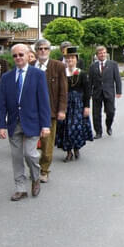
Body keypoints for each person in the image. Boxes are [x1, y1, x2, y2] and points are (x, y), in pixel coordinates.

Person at [0, 44, 51, 201]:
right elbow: (2, 105)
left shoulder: (38, 75)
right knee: (16, 157)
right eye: (15, 56)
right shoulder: (6, 77)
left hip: (32, 122)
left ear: (28, 55)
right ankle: (20, 188)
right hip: (14, 123)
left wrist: (45, 125)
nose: (18, 58)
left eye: (21, 54)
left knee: (30, 154)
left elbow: (44, 102)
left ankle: (35, 178)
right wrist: (1, 125)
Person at [34, 39, 68, 183]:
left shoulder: (58, 66)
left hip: (50, 112)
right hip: (32, 112)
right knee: (30, 146)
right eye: (40, 48)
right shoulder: (30, 66)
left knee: (47, 144)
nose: (43, 51)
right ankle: (33, 168)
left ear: (49, 50)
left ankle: (44, 170)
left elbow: (63, 90)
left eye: (45, 48)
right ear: (36, 51)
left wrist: (62, 109)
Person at [55, 46, 93, 162]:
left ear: (76, 59)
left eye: (72, 58)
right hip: (64, 104)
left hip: (77, 105)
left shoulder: (82, 74)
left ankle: (76, 147)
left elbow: (87, 92)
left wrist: (86, 106)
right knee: (65, 127)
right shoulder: (61, 73)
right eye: (67, 58)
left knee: (76, 127)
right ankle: (68, 152)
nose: (70, 60)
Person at [89, 46, 122, 139]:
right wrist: (89, 93)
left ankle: (108, 126)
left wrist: (119, 91)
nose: (102, 54)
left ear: (106, 54)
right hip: (97, 93)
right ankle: (98, 132)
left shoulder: (113, 64)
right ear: (97, 55)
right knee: (96, 114)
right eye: (100, 53)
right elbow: (90, 81)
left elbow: (117, 79)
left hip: (109, 92)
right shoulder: (92, 66)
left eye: (104, 53)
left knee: (110, 112)